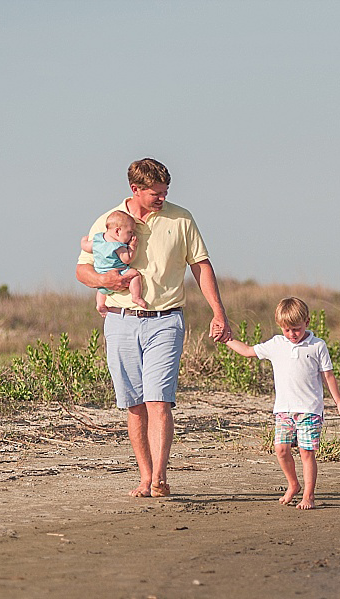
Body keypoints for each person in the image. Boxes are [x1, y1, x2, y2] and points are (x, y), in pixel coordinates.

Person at [76, 157, 232, 498]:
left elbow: (201, 266)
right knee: (133, 404)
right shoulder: (109, 221)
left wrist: (218, 312)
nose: (162, 198)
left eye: (165, 192)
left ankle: (160, 477)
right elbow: (82, 269)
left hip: (166, 320)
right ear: (135, 190)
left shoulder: (181, 218)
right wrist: (102, 280)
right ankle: (145, 477)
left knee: (159, 401)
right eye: (155, 193)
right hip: (120, 321)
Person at [223, 297, 340, 510]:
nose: (292, 334)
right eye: (287, 330)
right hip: (283, 410)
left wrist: (339, 401)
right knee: (281, 449)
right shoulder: (276, 344)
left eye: (296, 329)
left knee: (307, 452)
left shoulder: (318, 346)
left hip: (309, 409)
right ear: (280, 326)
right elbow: (248, 351)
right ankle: (293, 484)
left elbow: (328, 376)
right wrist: (226, 339)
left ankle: (309, 495)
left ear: (307, 322)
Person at [79, 209, 147, 317]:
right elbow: (127, 259)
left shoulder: (98, 239)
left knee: (101, 291)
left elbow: (87, 247)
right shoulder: (117, 246)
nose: (132, 235)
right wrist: (132, 247)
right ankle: (136, 296)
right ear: (117, 231)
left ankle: (100, 304)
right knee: (135, 274)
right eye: (129, 232)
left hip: (102, 275)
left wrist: (83, 241)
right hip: (119, 272)